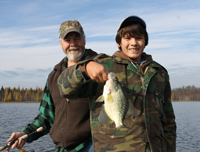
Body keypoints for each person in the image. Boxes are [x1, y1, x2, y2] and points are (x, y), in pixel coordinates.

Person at [57, 16, 177, 152]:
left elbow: (169, 121)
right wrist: (85, 69)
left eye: (139, 38)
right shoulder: (102, 65)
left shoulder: (159, 72)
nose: (133, 43)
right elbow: (64, 88)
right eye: (127, 38)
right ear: (118, 42)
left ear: (145, 41)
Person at [6, 20, 98, 152]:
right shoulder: (54, 76)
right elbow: (47, 117)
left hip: (90, 146)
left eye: (77, 38)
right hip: (61, 148)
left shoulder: (100, 67)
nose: (73, 44)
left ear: (84, 40)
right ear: (61, 44)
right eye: (67, 39)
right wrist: (25, 134)